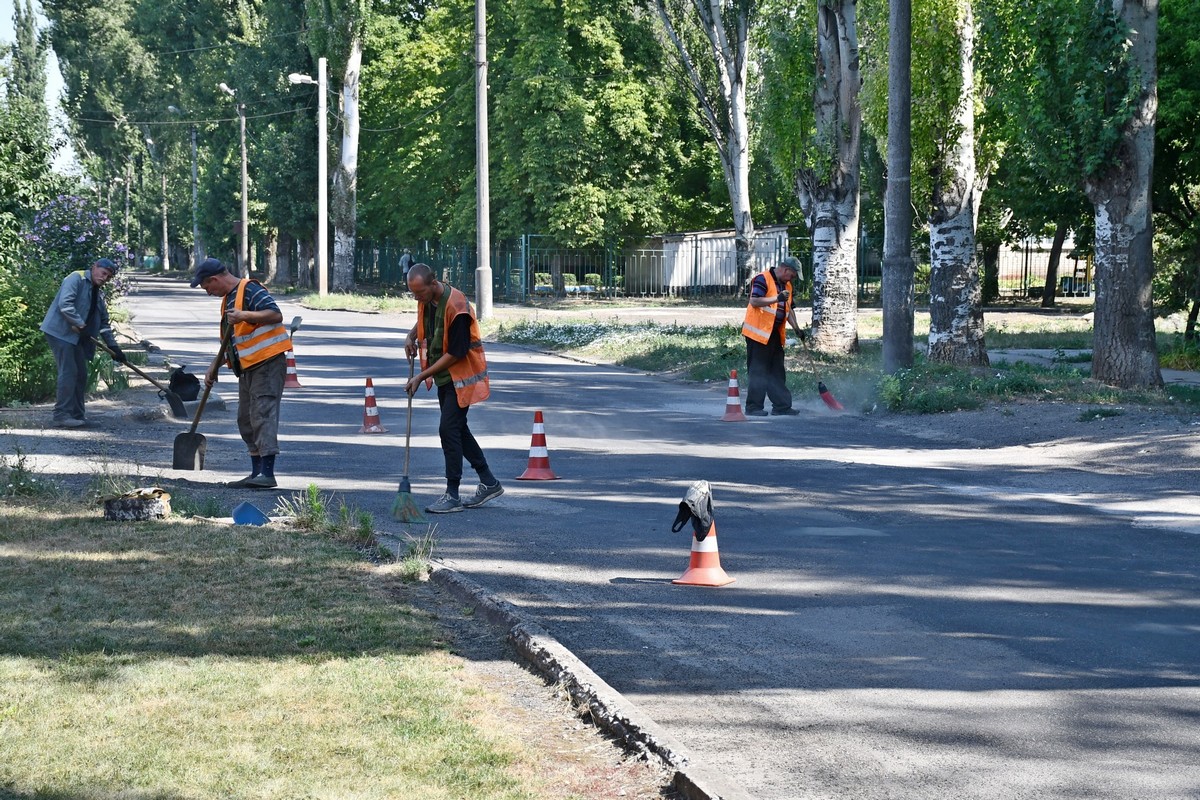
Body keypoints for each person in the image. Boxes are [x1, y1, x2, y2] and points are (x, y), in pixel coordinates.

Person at [404, 263, 502, 514]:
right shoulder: (429, 298)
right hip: (445, 378)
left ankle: (453, 494)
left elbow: (457, 352)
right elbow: (426, 318)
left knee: (448, 430)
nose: (418, 299)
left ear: (433, 282)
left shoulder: (457, 306)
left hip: (461, 377)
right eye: (413, 294)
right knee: (458, 429)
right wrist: (411, 336)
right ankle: (489, 482)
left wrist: (421, 376)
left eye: (420, 293)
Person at [192, 257, 291, 489]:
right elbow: (233, 341)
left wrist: (245, 315)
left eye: (207, 287)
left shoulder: (250, 290)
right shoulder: (229, 298)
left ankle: (268, 473)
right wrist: (214, 366)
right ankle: (256, 473)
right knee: (245, 419)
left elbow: (275, 314)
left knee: (262, 415)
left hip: (267, 364)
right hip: (248, 368)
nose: (208, 293)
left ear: (215, 279)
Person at [40, 257, 127, 427]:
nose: (104, 278)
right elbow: (65, 305)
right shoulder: (76, 278)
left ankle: (78, 416)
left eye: (108, 277)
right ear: (94, 267)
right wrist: (80, 324)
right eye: (103, 273)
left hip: (77, 337)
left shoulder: (97, 294)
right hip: (60, 333)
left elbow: (103, 323)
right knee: (69, 372)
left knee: (81, 374)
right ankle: (61, 416)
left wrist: (113, 346)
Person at [742, 255, 806, 416]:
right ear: (786, 270)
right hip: (758, 333)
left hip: (775, 334)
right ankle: (753, 407)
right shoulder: (762, 279)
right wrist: (777, 298)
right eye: (792, 275)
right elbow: (754, 301)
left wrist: (797, 328)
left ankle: (782, 407)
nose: (792, 279)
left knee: (777, 370)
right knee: (758, 370)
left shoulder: (787, 286)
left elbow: (788, 310)